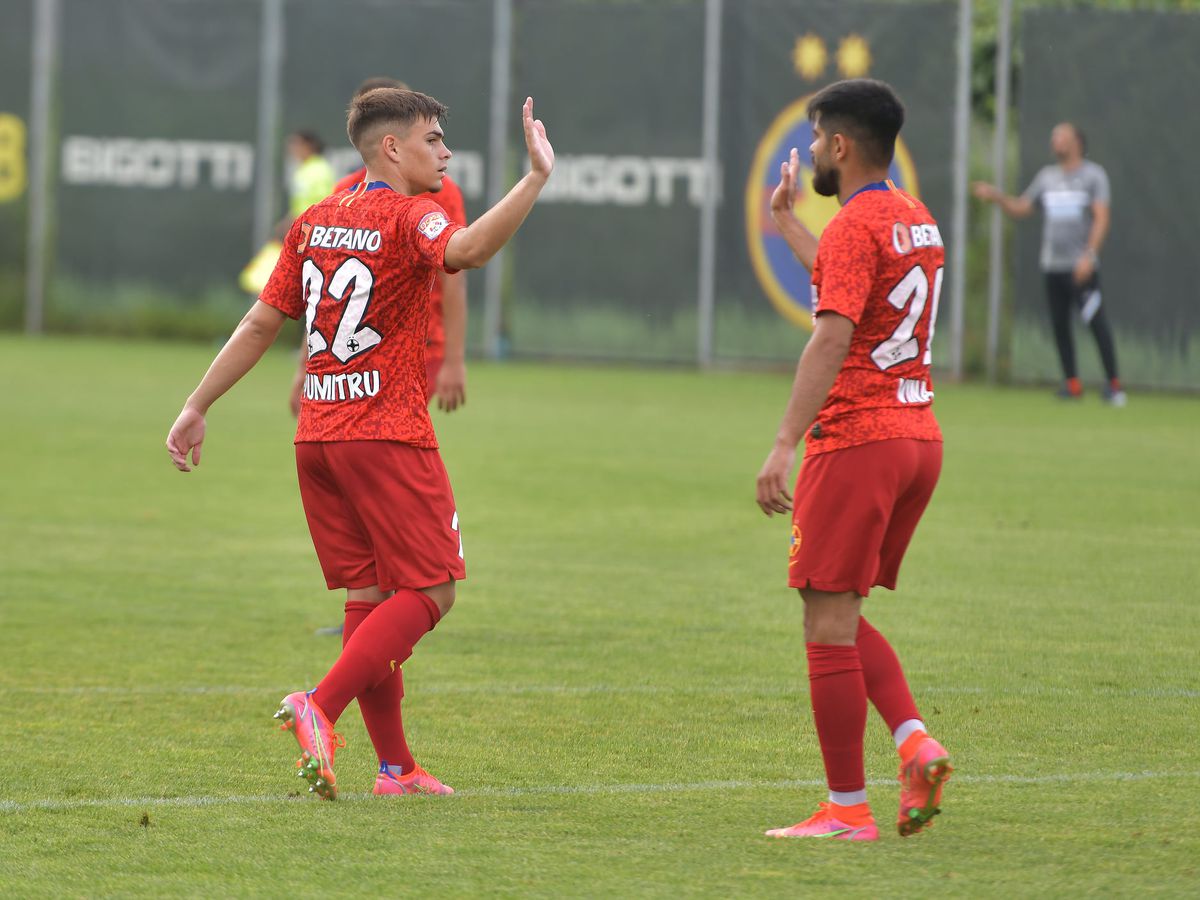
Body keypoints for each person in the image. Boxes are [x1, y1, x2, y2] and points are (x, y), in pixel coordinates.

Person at [166, 89, 555, 800]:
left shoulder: (316, 220)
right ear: (392, 149)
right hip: (386, 434)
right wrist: (533, 180)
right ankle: (319, 704)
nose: (445, 152)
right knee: (433, 588)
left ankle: (396, 769)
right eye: (434, 139)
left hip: (317, 437)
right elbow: (465, 250)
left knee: (370, 596)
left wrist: (197, 405)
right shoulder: (414, 215)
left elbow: (259, 326)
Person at [755, 79, 951, 841]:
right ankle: (915, 743)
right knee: (837, 612)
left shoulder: (852, 222)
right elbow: (853, 289)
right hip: (917, 438)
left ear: (840, 146)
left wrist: (783, 442)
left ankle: (845, 809)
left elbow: (833, 334)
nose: (808, 154)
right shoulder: (915, 219)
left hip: (859, 440)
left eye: (815, 139)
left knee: (826, 622)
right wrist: (786, 222)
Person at [288, 78, 468, 417]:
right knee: (368, 441)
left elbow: (455, 276)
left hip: (421, 343)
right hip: (353, 351)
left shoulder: (440, 192)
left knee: (382, 437)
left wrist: (454, 359)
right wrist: (305, 366)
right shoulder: (341, 194)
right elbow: (325, 298)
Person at [973, 123, 1125, 405]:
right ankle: (1072, 383)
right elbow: (1022, 208)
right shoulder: (1047, 177)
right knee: (1060, 326)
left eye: (1062, 137)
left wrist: (1088, 256)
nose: (1056, 141)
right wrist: (997, 196)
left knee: (1096, 323)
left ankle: (1114, 385)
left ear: (1077, 142)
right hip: (1052, 266)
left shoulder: (1093, 176)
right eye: (1054, 136)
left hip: (1081, 267)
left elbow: (1102, 218)